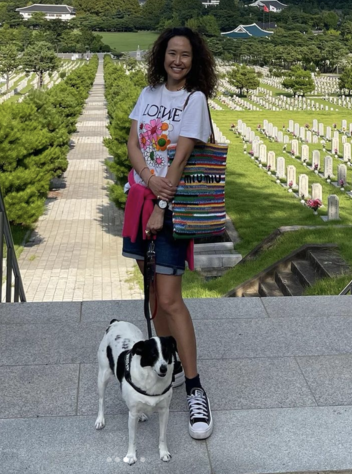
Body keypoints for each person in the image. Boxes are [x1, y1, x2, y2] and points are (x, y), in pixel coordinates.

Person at [121, 26, 218, 440]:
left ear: (195, 63)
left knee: (170, 300)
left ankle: (194, 387)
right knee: (150, 295)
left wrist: (162, 205)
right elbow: (133, 142)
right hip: (139, 200)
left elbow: (179, 162)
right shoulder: (149, 94)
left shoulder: (194, 100)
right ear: (162, 55)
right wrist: (146, 176)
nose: (177, 61)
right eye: (172, 53)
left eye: (186, 56)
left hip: (170, 212)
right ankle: (166, 368)